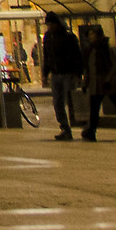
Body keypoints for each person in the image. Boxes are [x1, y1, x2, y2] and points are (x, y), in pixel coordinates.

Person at [82, 24, 116, 141]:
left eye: (92, 34)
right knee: (94, 109)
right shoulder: (90, 50)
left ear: (98, 34)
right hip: (96, 83)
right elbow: (89, 69)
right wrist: (85, 83)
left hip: (110, 82)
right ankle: (91, 132)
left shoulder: (108, 49)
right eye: (89, 34)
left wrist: (109, 80)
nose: (90, 37)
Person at [40, 13, 83, 141]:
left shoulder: (68, 37)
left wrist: (77, 74)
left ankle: (78, 124)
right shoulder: (48, 37)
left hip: (67, 73)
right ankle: (65, 127)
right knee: (57, 102)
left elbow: (77, 57)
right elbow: (47, 56)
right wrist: (45, 73)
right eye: (48, 24)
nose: (50, 26)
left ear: (58, 24)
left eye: (51, 24)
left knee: (71, 101)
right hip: (56, 74)